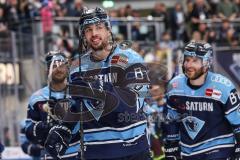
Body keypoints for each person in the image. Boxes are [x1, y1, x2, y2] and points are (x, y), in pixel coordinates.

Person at [44, 7, 152, 160]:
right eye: (88, 30)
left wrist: (95, 89)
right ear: (83, 35)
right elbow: (78, 106)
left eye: (99, 27)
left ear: (108, 30)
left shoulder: (132, 60)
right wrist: (64, 128)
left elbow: (133, 105)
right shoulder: (77, 67)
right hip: (95, 151)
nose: (94, 33)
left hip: (133, 151)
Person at [164, 41, 240, 160]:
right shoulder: (175, 85)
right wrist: (171, 146)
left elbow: (238, 123)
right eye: (187, 60)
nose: (189, 65)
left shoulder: (223, 87)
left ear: (206, 63)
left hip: (219, 149)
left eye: (195, 61)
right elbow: (172, 120)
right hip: (188, 151)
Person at [25, 51, 80, 159]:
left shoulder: (78, 93)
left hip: (76, 154)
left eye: (61, 65)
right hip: (48, 155)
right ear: (47, 70)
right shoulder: (37, 98)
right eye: (54, 66)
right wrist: (39, 128)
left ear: (67, 68)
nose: (58, 69)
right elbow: (28, 130)